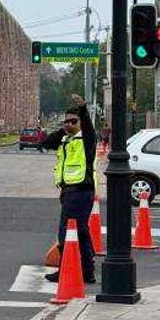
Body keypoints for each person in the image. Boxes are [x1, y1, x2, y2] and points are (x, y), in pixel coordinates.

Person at [43, 94, 97, 286]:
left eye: (73, 121)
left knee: (66, 232)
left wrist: (83, 108)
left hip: (81, 191)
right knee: (81, 232)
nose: (69, 124)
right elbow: (46, 143)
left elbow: (89, 128)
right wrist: (62, 130)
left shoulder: (87, 140)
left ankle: (67, 269)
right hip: (69, 192)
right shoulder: (66, 140)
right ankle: (88, 272)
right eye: (66, 121)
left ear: (81, 122)